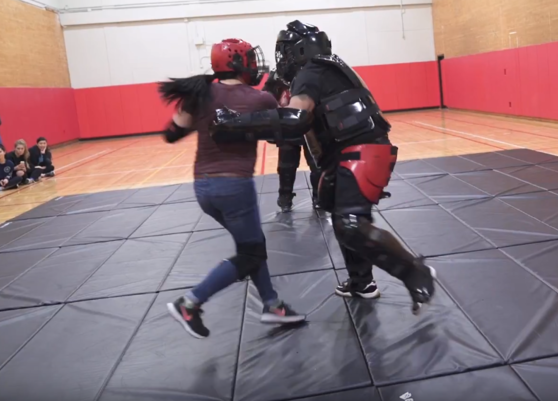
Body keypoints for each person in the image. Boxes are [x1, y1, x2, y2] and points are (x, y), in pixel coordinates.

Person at [210, 21, 437, 313]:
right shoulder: (329, 68)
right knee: (341, 214)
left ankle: (415, 272)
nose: (282, 59)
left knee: (351, 223)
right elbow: (293, 130)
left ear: (298, 50)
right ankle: (361, 282)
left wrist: (235, 123)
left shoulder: (310, 72)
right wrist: (244, 128)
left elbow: (295, 120)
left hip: (362, 151)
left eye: (285, 52)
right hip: (349, 152)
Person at [158, 37, 306, 339]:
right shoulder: (259, 99)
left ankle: (272, 305)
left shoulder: (199, 94)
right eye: (249, 59)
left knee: (251, 246)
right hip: (235, 188)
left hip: (203, 189)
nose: (254, 64)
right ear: (238, 63)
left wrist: (206, 115)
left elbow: (171, 133)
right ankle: (190, 302)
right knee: (250, 254)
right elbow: (285, 131)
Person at [262, 70, 323, 211]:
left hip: (310, 125)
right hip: (288, 125)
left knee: (317, 163)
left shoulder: (312, 72)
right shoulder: (278, 75)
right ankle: (285, 196)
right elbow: (266, 94)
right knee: (286, 165)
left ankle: (318, 196)